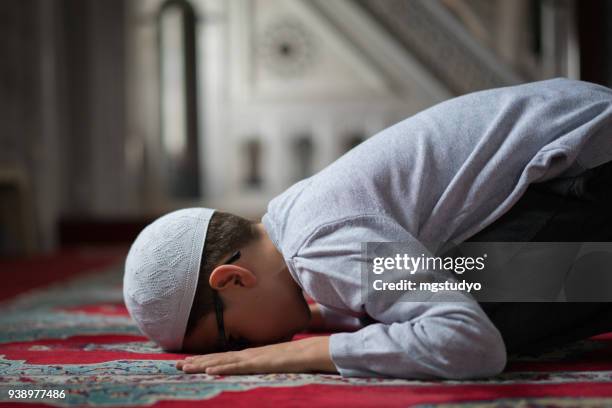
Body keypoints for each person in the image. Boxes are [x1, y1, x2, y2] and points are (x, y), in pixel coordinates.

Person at [123, 78, 612, 380]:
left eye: (234, 340)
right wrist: (327, 321)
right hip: (585, 152)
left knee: (454, 308)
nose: (255, 351)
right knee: (404, 305)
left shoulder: (321, 247)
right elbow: (384, 276)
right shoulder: (294, 215)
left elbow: (470, 343)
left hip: (594, 170)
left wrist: (319, 351)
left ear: (232, 280)